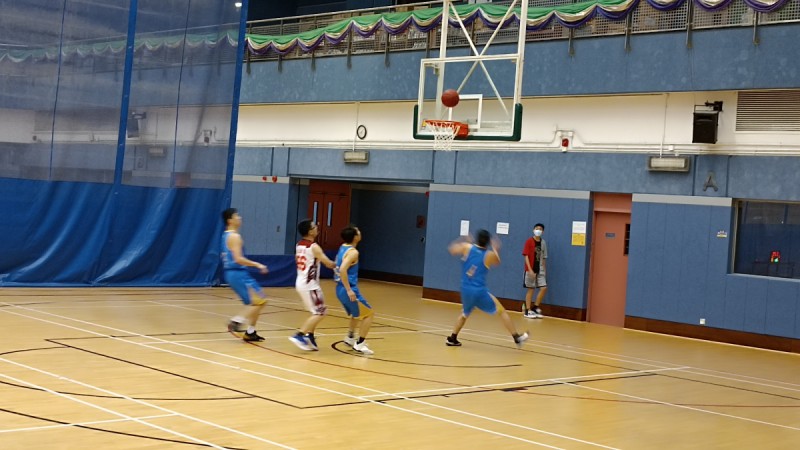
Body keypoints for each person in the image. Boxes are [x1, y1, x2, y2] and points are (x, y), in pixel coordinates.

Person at [446, 229, 528, 348]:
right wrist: (496, 248)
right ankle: (516, 338)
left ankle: (452, 338)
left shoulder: (466, 247)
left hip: (465, 289)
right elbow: (497, 262)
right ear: (488, 242)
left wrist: (463, 239)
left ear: (477, 238)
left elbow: (452, 249)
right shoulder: (489, 255)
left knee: (465, 313)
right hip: (479, 291)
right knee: (502, 311)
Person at [221, 208, 269, 342]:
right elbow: (238, 259)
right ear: (230, 220)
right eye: (237, 216)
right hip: (238, 274)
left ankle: (250, 332)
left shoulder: (225, 235)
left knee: (256, 303)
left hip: (232, 274)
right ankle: (237, 321)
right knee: (260, 301)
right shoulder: (235, 237)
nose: (240, 218)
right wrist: (257, 264)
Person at [289, 219, 336, 351]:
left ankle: (310, 335)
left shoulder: (299, 244)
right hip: (310, 285)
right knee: (321, 312)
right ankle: (299, 335)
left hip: (301, 281)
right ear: (310, 231)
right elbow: (328, 263)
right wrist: (340, 264)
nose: (317, 227)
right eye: (314, 226)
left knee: (316, 311)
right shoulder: (314, 247)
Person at [334, 225, 375, 355]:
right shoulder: (353, 252)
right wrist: (349, 290)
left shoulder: (343, 247)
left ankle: (350, 337)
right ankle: (360, 343)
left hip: (339, 288)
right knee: (369, 314)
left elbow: (337, 266)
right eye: (358, 232)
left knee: (356, 313)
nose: (360, 233)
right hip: (348, 289)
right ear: (355, 237)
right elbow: (342, 269)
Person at [522, 223, 548, 319]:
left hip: (540, 269)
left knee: (544, 288)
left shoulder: (543, 243)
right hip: (530, 269)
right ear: (533, 230)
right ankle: (527, 310)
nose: (538, 230)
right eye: (537, 229)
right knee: (531, 289)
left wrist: (544, 270)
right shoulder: (529, 241)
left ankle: (535, 307)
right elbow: (526, 256)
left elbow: (544, 257)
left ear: (543, 231)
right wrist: (529, 269)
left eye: (540, 229)